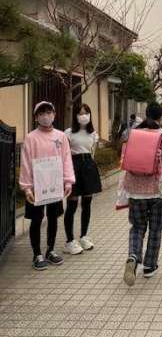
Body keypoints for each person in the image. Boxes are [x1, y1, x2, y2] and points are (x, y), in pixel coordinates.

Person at [123, 102, 162, 285]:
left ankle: (133, 255)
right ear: (161, 118)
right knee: (155, 229)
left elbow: (125, 160)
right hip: (157, 191)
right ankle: (149, 266)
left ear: (146, 115)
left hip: (135, 190)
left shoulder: (133, 134)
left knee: (137, 227)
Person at [19, 101, 75, 270]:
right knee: (36, 219)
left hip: (54, 185)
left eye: (48, 112)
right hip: (37, 187)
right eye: (41, 113)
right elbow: (26, 163)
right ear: (36, 117)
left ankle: (50, 250)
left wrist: (68, 181)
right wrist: (27, 187)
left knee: (53, 217)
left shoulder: (61, 136)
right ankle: (37, 254)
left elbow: (66, 159)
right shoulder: (31, 137)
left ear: (54, 114)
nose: (45, 116)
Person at [63, 104, 102, 255]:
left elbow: (93, 152)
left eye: (86, 113)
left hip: (89, 166)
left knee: (87, 203)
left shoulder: (93, 133)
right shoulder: (68, 133)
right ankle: (69, 240)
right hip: (74, 166)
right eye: (80, 113)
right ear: (75, 116)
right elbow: (65, 154)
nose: (83, 116)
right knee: (72, 204)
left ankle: (84, 236)